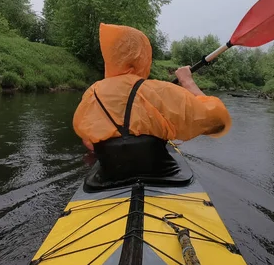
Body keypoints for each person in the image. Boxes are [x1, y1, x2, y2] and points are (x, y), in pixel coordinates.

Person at [73, 23, 231, 171]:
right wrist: (187, 81)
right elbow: (217, 121)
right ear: (143, 56)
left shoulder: (92, 92)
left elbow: (87, 139)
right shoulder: (160, 91)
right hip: (159, 172)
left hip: (109, 173)